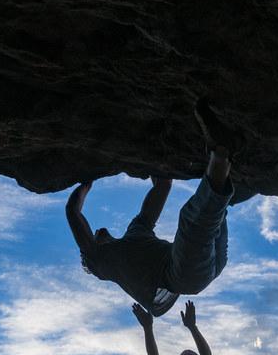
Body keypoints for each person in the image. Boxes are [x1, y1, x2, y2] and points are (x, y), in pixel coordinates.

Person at [66, 101, 239, 316]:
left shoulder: (136, 230)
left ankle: (225, 166)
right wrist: (87, 182)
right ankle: (220, 151)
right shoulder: (101, 262)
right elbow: (73, 212)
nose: (97, 230)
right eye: (93, 235)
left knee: (214, 208)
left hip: (209, 260)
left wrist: (151, 160)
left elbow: (163, 185)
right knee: (192, 221)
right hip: (182, 275)